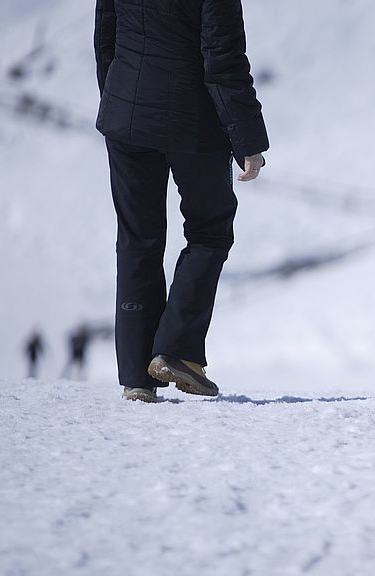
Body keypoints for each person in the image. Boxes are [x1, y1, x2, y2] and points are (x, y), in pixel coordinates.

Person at [94, 0, 269, 402]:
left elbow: (106, 37)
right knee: (210, 231)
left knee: (138, 238)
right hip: (194, 125)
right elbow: (223, 60)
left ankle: (138, 375)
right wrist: (249, 141)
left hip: (127, 117)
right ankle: (176, 350)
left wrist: (120, 98)